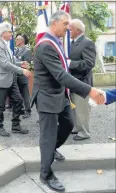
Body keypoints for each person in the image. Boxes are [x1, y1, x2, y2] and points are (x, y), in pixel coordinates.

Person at [31, 11, 105, 192]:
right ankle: (46, 173)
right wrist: (90, 90)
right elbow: (61, 75)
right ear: (54, 23)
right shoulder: (46, 45)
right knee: (47, 136)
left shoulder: (56, 42)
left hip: (60, 94)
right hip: (47, 96)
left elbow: (65, 68)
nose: (67, 27)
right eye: (65, 24)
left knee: (68, 123)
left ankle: (52, 149)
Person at [0, 22, 32, 137]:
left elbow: (11, 60)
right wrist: (22, 71)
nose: (12, 34)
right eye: (10, 32)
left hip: (10, 79)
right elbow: (4, 64)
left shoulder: (6, 44)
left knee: (18, 100)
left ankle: (15, 126)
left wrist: (21, 64)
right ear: (3, 33)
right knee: (0, 105)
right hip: (1, 81)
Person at [69, 19, 96, 141]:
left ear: (78, 30)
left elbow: (89, 63)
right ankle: (78, 127)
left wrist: (70, 64)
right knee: (76, 107)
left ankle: (84, 132)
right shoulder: (74, 42)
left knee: (82, 108)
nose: (69, 31)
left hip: (82, 82)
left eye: (71, 29)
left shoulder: (87, 42)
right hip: (74, 81)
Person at [15, 34, 32, 119]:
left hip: (23, 75)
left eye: (17, 39)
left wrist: (18, 65)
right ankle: (21, 109)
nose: (16, 41)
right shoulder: (16, 50)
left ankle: (28, 110)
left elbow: (27, 64)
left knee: (25, 95)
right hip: (16, 75)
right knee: (18, 94)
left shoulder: (27, 51)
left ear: (22, 41)